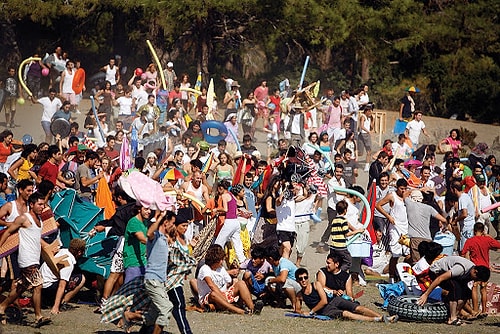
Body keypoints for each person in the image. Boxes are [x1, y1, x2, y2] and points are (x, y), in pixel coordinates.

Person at [0, 192, 51, 327]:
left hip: (35, 257)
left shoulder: (39, 220)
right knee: (38, 285)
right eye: (39, 204)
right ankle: (38, 316)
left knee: (20, 288)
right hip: (26, 259)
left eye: (43, 204)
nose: (42, 207)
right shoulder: (23, 218)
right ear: (32, 204)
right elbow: (8, 231)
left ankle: (2, 307)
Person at [296, 266, 391, 322]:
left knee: (357, 308)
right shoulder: (300, 295)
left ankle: (384, 317)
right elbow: (297, 310)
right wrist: (302, 313)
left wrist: (311, 312)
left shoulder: (316, 285)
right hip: (325, 311)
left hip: (334, 300)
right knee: (346, 314)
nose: (304, 280)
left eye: (305, 277)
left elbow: (324, 300)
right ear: (297, 281)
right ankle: (377, 319)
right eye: (301, 279)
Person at [417, 254, 490, 326]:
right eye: (476, 279)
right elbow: (440, 278)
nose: (475, 280)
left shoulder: (471, 271)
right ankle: (452, 318)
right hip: (436, 272)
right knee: (455, 288)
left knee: (467, 292)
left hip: (452, 276)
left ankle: (456, 314)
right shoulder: (460, 268)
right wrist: (426, 294)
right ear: (475, 272)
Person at [196, 244, 261, 314]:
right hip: (209, 298)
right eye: (222, 259)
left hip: (223, 295)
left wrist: (235, 283)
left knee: (241, 283)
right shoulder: (205, 269)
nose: (223, 261)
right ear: (217, 260)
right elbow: (211, 285)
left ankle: (252, 308)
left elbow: (229, 282)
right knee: (213, 294)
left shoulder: (220, 268)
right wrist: (224, 298)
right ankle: (237, 310)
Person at [144, 210, 175, 334]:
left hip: (159, 280)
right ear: (166, 223)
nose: (174, 226)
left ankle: (132, 318)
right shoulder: (155, 236)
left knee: (153, 314)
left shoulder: (163, 238)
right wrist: (160, 216)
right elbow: (149, 233)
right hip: (153, 279)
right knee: (166, 308)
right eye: (172, 223)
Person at [461, 222, 500, 317]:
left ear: (474, 231)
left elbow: (463, 252)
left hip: (475, 268)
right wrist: (489, 236)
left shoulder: (470, 240)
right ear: (483, 231)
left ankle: (475, 310)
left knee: (474, 288)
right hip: (485, 268)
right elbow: (498, 245)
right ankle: (484, 310)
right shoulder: (486, 240)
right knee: (483, 289)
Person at [375, 178, 409, 280]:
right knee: (395, 253)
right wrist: (388, 216)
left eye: (405, 189)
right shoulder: (392, 196)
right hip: (395, 227)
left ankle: (403, 274)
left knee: (407, 253)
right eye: (401, 189)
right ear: (397, 187)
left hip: (406, 226)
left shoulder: (407, 195)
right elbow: (378, 205)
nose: (403, 191)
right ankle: (392, 276)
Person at [41, 238, 86, 314]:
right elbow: (62, 285)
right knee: (81, 279)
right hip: (47, 288)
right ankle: (62, 302)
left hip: (41, 283)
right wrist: (56, 307)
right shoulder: (68, 263)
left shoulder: (63, 251)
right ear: (79, 252)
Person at [213, 179, 246, 264]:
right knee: (237, 243)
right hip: (236, 221)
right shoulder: (232, 195)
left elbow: (225, 209)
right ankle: (242, 261)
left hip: (229, 221)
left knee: (219, 242)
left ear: (221, 188)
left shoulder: (224, 195)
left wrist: (216, 209)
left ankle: (216, 260)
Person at [265, 246, 301, 311]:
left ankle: (294, 303)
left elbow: (282, 279)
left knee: (285, 283)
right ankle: (281, 302)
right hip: (289, 284)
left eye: (267, 259)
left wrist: (272, 280)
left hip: (297, 286)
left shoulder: (284, 263)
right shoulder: (274, 264)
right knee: (270, 283)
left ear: (271, 258)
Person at [449, 180, 475, 251]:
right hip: (469, 225)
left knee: (464, 249)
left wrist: (455, 220)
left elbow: (464, 214)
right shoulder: (465, 196)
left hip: (467, 226)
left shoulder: (462, 199)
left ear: (454, 189)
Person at [358, 105, 374, 172]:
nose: (371, 113)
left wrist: (373, 120)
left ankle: (367, 165)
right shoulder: (363, 116)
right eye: (370, 111)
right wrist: (368, 131)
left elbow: (371, 126)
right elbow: (361, 126)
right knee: (360, 152)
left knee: (369, 150)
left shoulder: (369, 118)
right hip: (364, 134)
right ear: (367, 111)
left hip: (366, 134)